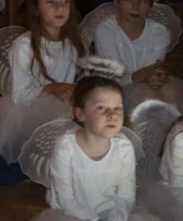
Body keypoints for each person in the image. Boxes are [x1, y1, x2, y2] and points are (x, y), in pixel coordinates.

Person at [0, 0, 83, 163]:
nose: (60, 8)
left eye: (65, 1)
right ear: (36, 9)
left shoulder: (72, 43)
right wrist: (50, 88)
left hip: (63, 108)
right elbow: (20, 95)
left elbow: (71, 80)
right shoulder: (25, 45)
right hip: (31, 108)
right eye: (51, 2)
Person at [34, 77, 156, 221]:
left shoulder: (124, 147)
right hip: (73, 213)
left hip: (112, 212)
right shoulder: (66, 148)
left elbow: (126, 195)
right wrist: (93, 219)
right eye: (101, 108)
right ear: (81, 114)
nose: (112, 115)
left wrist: (117, 217)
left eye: (117, 108)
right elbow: (66, 198)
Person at [93, 0, 183, 111]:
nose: (135, 7)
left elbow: (152, 71)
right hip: (112, 88)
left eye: (143, 0)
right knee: (147, 95)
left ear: (151, 4)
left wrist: (156, 76)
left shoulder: (159, 32)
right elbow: (114, 78)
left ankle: (173, 125)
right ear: (116, 0)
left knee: (171, 90)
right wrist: (144, 74)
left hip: (145, 85)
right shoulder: (105, 31)